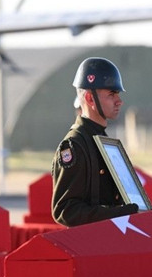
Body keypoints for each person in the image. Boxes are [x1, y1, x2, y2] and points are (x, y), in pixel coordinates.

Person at [50, 57, 139, 227]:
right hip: (91, 241)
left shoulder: (102, 139)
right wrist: (121, 214)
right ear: (90, 99)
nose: (119, 101)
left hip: (110, 237)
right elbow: (65, 210)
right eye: (111, 94)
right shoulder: (75, 145)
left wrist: (141, 212)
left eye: (118, 94)